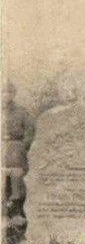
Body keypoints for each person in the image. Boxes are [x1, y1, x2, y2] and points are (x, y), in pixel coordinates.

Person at [2, 82, 35, 219]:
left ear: (13, 94)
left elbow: (29, 133)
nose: (5, 95)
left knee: (16, 174)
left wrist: (22, 147)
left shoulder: (22, 112)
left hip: (16, 150)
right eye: (2, 92)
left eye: (8, 92)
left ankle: (16, 208)